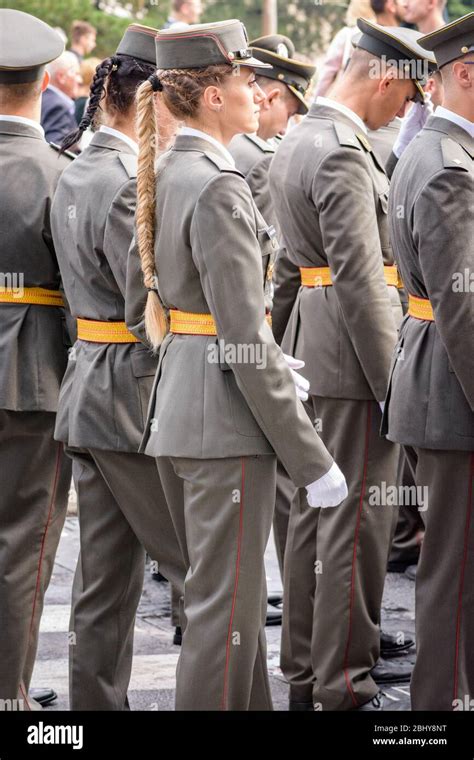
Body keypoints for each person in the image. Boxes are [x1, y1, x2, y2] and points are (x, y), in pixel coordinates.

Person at [126, 19, 347, 711]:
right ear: (213, 96)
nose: (257, 92)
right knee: (227, 625)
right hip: (222, 423)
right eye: (245, 80)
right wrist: (313, 462)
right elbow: (245, 338)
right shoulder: (218, 183)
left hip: (181, 407)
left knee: (232, 619)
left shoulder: (172, 170)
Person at [269, 19, 434, 711]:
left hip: (312, 350)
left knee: (315, 517)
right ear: (386, 76)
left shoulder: (300, 137)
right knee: (355, 528)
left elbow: (285, 268)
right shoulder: (339, 150)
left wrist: (278, 349)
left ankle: (307, 669)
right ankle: (344, 683)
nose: (404, 113)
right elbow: (366, 282)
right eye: (404, 98)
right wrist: (395, 382)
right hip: (352, 363)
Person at [50, 23, 186, 711]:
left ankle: (93, 710)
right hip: (132, 397)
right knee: (199, 567)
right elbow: (148, 313)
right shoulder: (129, 184)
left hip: (87, 391)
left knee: (103, 582)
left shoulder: (75, 167)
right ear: (149, 103)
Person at [384, 11, 474, 710]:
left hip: (434, 380)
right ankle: (436, 713)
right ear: (465, 73)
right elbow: (463, 308)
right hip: (455, 392)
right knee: (455, 572)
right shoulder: (448, 168)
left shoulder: (432, 152)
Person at [0, 8, 74, 711]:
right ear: (46, 80)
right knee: (22, 546)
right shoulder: (58, 172)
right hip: (31, 375)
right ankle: (7, 693)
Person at [229, 34, 316, 598]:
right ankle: (286, 587)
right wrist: (275, 339)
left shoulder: (244, 154)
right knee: (282, 477)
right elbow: (270, 263)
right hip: (255, 331)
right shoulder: (255, 160)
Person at [41, 51, 82, 146]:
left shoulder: (42, 99)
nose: (80, 80)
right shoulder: (58, 107)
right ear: (61, 77)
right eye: (76, 74)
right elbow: (56, 150)